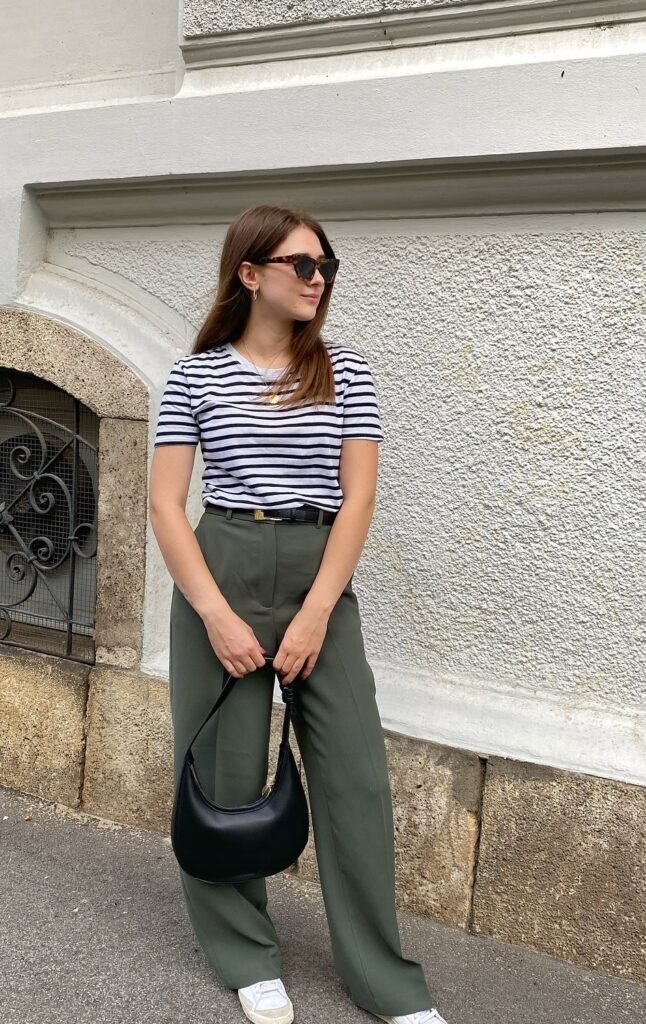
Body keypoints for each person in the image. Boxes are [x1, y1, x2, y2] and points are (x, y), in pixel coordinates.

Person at [149, 204, 448, 1024]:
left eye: (325, 267)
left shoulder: (345, 370)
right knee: (225, 772)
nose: (318, 279)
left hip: (319, 573)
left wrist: (318, 612)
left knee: (355, 778)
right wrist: (213, 613)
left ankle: (382, 977)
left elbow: (358, 498)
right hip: (225, 564)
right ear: (251, 273)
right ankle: (246, 954)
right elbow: (167, 507)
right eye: (302, 264)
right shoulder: (195, 375)